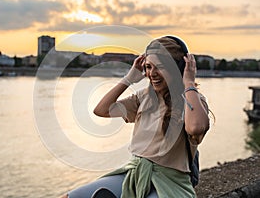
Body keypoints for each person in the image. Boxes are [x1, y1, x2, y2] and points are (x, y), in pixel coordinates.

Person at [61, 36, 210, 198]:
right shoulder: (143, 97)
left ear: (178, 68)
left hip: (171, 180)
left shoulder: (192, 101)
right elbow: (101, 110)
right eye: (148, 67)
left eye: (159, 67)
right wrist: (129, 78)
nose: (152, 73)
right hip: (135, 173)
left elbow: (196, 128)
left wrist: (188, 82)